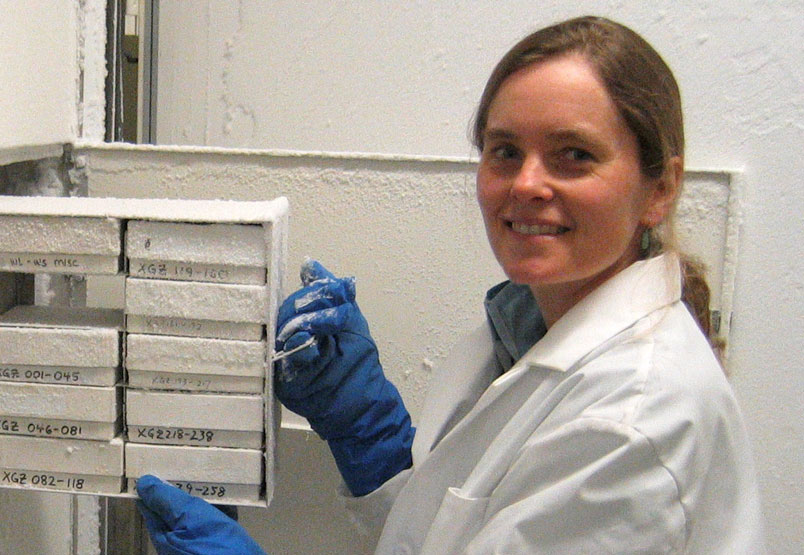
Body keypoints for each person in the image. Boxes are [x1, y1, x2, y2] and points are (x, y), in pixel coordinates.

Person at [135, 15, 765, 554]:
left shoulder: (635, 424)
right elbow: (448, 536)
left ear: (660, 188)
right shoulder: (519, 331)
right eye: (505, 151)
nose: (526, 184)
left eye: (574, 154)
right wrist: (372, 439)